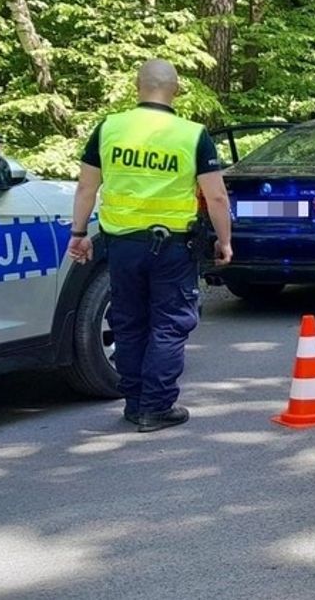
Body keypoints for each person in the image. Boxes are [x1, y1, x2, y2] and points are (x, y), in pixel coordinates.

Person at [65, 59, 232, 433]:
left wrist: (78, 235)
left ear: (137, 86)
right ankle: (156, 408)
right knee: (169, 324)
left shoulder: (109, 128)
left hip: (121, 246)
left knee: (129, 322)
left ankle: (136, 403)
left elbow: (86, 188)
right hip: (172, 247)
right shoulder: (191, 134)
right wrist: (224, 241)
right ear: (175, 90)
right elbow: (216, 197)